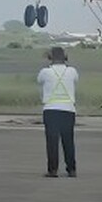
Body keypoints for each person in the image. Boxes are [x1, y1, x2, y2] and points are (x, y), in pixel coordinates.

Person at [37, 46, 79, 177]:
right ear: (65, 57)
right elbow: (75, 80)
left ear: (50, 57)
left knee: (52, 141)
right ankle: (71, 169)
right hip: (68, 110)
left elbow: (39, 81)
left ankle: (53, 170)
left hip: (51, 109)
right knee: (68, 141)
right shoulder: (72, 71)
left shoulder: (45, 72)